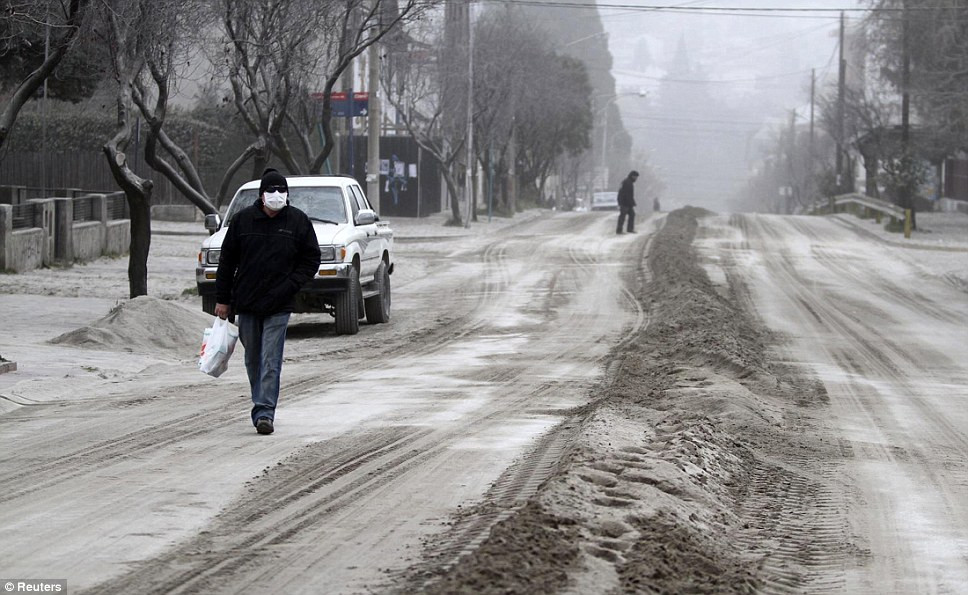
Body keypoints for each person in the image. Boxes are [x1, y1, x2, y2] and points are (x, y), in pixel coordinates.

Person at [214, 169, 321, 435]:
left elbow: (311, 259)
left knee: (271, 359)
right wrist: (223, 299)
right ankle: (259, 401)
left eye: (281, 190)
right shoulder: (242, 221)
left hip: (279, 304)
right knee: (253, 359)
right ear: (261, 195)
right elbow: (226, 262)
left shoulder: (297, 221)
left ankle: (264, 412)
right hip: (247, 302)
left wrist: (291, 285)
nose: (276, 195)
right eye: (271, 190)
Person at [617, 170, 639, 234]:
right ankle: (619, 230)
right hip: (625, 203)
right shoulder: (627, 183)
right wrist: (631, 203)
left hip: (626, 202)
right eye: (636, 177)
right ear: (632, 176)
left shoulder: (627, 182)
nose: (636, 179)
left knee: (631, 214)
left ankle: (629, 229)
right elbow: (627, 194)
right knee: (623, 216)